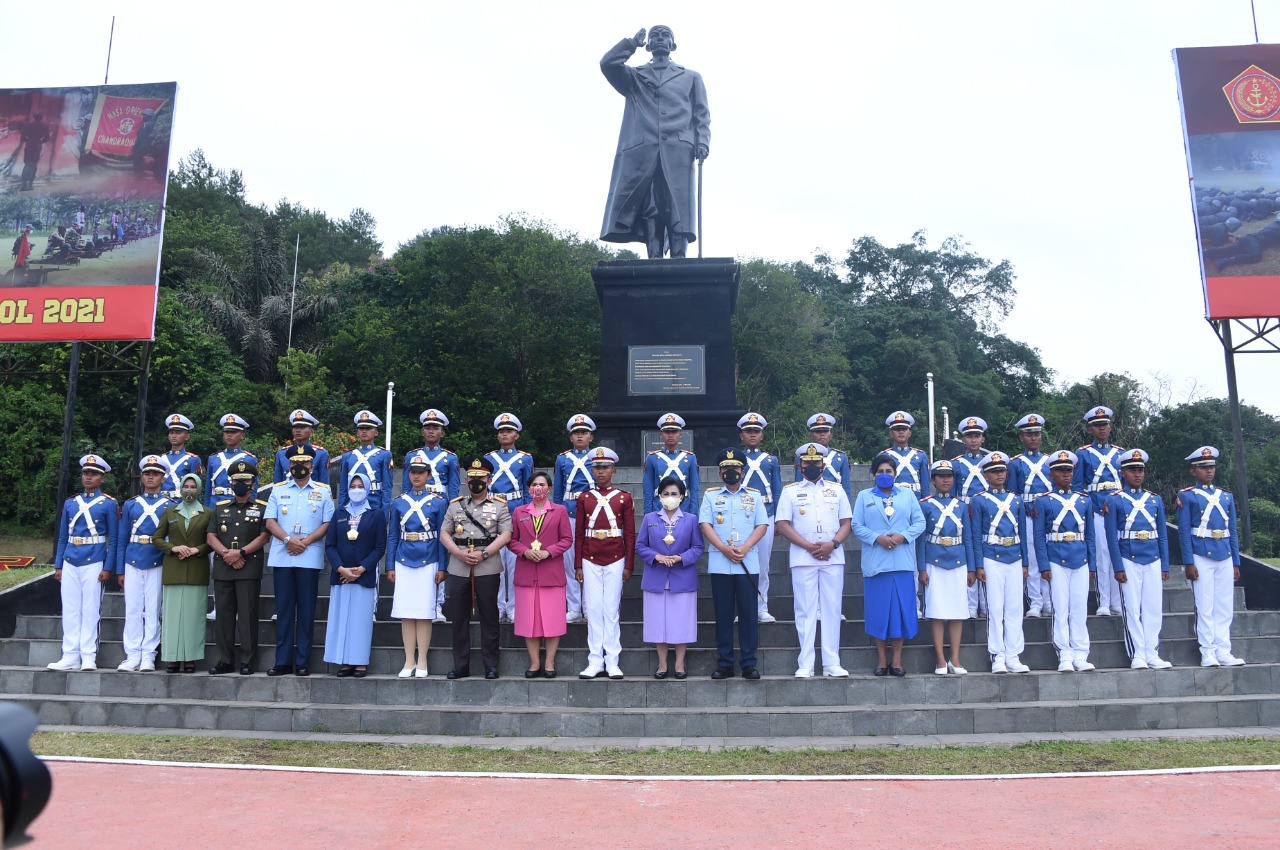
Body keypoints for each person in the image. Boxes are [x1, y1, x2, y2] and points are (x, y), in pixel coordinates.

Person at [599, 25, 710, 259]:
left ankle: (680, 257)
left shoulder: (691, 77)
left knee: (678, 204)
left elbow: (701, 113)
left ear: (673, 44)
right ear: (648, 45)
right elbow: (607, 64)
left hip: (680, 150)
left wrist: (703, 142)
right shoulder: (635, 76)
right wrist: (631, 43)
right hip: (643, 151)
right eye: (655, 36)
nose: (660, 39)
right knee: (651, 206)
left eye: (665, 35)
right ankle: (654, 256)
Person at [775, 443, 853, 678]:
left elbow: (846, 522)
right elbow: (782, 524)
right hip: (803, 557)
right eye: (807, 463)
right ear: (799, 465)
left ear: (823, 464)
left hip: (832, 556)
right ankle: (806, 663)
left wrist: (833, 544)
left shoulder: (836, 490)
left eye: (816, 463)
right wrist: (809, 546)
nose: (811, 466)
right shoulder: (789, 491)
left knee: (832, 609)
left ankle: (831, 662)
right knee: (806, 611)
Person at [264, 444, 334, 677]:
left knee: (306, 612)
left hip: (309, 555)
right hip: (283, 555)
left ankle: (303, 661)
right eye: (295, 463)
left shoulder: (323, 491)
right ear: (289, 465)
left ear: (312, 466)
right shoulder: (278, 489)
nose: (299, 467)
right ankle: (282, 661)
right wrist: (288, 540)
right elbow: (270, 521)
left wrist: (304, 542)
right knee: (284, 611)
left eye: (303, 463)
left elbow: (327, 524)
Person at [699, 448, 768, 680]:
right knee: (723, 615)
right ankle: (725, 663)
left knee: (749, 616)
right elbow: (705, 524)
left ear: (743, 471)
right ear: (720, 472)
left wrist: (746, 547)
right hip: (721, 563)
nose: (731, 472)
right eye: (726, 469)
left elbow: (762, 525)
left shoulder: (755, 496)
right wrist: (723, 548)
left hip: (747, 562)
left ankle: (749, 663)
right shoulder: (710, 496)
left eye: (735, 468)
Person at [853, 453, 925, 677]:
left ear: (895, 474)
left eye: (889, 472)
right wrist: (878, 538)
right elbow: (856, 525)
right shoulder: (864, 496)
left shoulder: (907, 495)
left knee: (899, 613)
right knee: (879, 613)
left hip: (901, 562)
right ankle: (882, 660)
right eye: (881, 472)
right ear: (874, 474)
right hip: (877, 563)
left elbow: (920, 522)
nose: (885, 475)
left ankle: (897, 660)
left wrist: (903, 536)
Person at [441, 457, 513, 679]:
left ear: (489, 479)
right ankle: (460, 665)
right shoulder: (456, 505)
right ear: (466, 480)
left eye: (480, 478)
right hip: (459, 565)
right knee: (459, 618)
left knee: (489, 617)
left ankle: (491, 665)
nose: (476, 482)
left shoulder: (499, 505)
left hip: (487, 565)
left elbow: (506, 534)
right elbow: (444, 533)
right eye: (472, 478)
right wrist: (458, 553)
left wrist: (484, 553)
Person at [1104, 449, 1174, 670]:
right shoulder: (1114, 500)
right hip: (1129, 556)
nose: (1137, 474)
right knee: (1132, 609)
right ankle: (1137, 653)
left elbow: (1162, 534)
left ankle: (1152, 651)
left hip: (1152, 556)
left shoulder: (1154, 499)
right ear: (1122, 472)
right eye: (1132, 470)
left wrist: (1164, 564)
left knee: (1153, 607)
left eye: (1140, 470)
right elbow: (1111, 538)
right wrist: (1117, 566)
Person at [48, 454, 117, 672]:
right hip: (71, 557)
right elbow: (62, 536)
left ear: (102, 478)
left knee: (90, 609)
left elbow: (114, 538)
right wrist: (59, 564)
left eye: (93, 474)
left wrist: (108, 567)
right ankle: (69, 655)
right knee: (70, 609)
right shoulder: (71, 503)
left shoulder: (108, 504)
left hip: (94, 558)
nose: (88, 477)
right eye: (86, 473)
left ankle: (88, 655)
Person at [1176, 446, 1244, 667]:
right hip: (1201, 553)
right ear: (1193, 470)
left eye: (1211, 466)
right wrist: (1189, 561)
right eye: (1203, 467)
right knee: (1204, 605)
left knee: (1224, 606)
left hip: (1224, 552)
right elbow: (1184, 532)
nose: (1209, 471)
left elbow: (1232, 530)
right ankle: (1208, 651)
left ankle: (1224, 650)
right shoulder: (1187, 496)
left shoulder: (1225, 495)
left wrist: (1236, 561)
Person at [1032, 450, 1098, 672]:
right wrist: (1043, 565)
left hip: (1080, 557)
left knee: (1079, 609)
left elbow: (1090, 534)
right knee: (1060, 609)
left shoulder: (1084, 500)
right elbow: (1039, 536)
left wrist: (1092, 563)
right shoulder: (1043, 502)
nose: (1066, 474)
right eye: (1061, 471)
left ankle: (1081, 653)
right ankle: (1064, 654)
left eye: (1069, 470)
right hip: (1056, 557)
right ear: (1051, 475)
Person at [575, 447, 637, 680]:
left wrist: (629, 563)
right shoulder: (585, 498)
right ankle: (594, 661)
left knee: (611, 610)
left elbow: (629, 533)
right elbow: (579, 533)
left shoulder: (624, 497)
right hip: (590, 556)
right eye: (597, 467)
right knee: (593, 608)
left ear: (614, 470)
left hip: (615, 557)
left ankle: (612, 661)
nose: (600, 472)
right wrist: (578, 565)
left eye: (605, 467)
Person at [387, 451, 448, 677]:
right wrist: (390, 566)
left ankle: (422, 660)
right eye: (413, 472)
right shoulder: (399, 502)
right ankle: (408, 660)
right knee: (406, 612)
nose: (416, 476)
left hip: (428, 557)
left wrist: (443, 566)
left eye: (421, 473)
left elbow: (443, 536)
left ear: (429, 475)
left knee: (423, 612)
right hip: (403, 558)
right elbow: (393, 535)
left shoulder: (438, 502)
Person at [206, 460, 270, 675]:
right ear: (231, 484)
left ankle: (248, 661)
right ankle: (225, 660)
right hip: (224, 567)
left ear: (252, 484)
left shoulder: (261, 508)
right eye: (237, 481)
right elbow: (211, 536)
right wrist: (227, 555)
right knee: (223, 617)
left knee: (247, 617)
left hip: (248, 567)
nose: (241, 484)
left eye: (245, 480)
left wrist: (240, 553)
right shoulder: (220, 507)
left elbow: (263, 537)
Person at [636, 475, 703, 679]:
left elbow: (698, 547)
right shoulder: (650, 519)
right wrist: (656, 556)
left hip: (682, 578)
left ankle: (680, 664)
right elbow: (640, 546)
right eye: (666, 494)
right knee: (658, 623)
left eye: (674, 494)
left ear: (682, 497)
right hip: (656, 578)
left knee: (681, 623)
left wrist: (680, 558)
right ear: (659, 496)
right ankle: (662, 664)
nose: (670, 497)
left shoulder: (691, 519)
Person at [970, 452, 1030, 673]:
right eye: (994, 471)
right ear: (985, 475)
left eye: (1002, 470)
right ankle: (998, 655)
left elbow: (1022, 532)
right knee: (995, 608)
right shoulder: (979, 500)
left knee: (1014, 608)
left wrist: (1025, 562)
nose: (999, 474)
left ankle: (1014, 655)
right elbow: (976, 534)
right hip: (991, 555)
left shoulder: (1016, 500)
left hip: (1014, 555)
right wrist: (978, 564)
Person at [509, 471, 574, 678]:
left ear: (550, 488)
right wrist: (524, 551)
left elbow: (567, 539)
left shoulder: (559, 510)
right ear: (528, 489)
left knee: (553, 621)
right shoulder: (519, 511)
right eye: (534, 484)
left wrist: (548, 551)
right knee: (530, 621)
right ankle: (534, 663)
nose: (538, 488)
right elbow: (511, 540)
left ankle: (549, 663)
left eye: (542, 484)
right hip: (527, 572)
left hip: (551, 572)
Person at [325, 471, 387, 678]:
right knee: (341, 618)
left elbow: (380, 547)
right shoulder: (339, 512)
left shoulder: (376, 513)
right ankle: (343, 661)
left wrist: (362, 568)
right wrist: (340, 568)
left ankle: (359, 662)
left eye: (361, 486)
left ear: (368, 489)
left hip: (364, 575)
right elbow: (330, 545)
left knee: (360, 621)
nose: (356, 490)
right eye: (353, 486)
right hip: (341, 575)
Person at [916, 461, 975, 675]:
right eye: (940, 476)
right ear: (932, 480)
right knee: (937, 612)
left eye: (949, 476)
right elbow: (921, 540)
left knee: (958, 612)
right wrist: (921, 568)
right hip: (934, 561)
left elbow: (968, 538)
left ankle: (955, 659)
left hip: (959, 561)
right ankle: (940, 659)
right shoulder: (925, 505)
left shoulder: (962, 506)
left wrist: (972, 568)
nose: (945, 480)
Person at [152, 474, 213, 674]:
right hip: (174, 568)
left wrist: (199, 549)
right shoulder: (170, 512)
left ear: (199, 489)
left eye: (192, 486)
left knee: (194, 616)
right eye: (185, 486)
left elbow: (212, 540)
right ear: (180, 488)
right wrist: (173, 548)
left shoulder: (207, 513)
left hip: (197, 567)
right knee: (171, 617)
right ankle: (172, 658)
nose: (189, 490)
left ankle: (190, 658)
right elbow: (157, 538)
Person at [114, 455, 169, 672]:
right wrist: (120, 569)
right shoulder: (130, 504)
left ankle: (149, 654)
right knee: (133, 609)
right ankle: (132, 654)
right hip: (133, 558)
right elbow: (121, 538)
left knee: (154, 609)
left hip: (157, 559)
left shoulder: (169, 505)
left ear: (162, 478)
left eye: (155, 474)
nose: (150, 477)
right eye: (147, 474)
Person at [405, 408, 459, 623]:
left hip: (442, 509)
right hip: (417, 508)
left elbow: (454, 489)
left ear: (442, 433)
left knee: (440, 555)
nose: (431, 431)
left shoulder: (450, 458)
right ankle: (418, 603)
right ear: (422, 431)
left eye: (435, 428)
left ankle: (437, 604)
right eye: (427, 427)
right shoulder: (412, 456)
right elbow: (410, 485)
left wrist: (453, 512)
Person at [1073, 406, 1124, 615]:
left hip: (1119, 511)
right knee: (1102, 556)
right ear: (1090, 429)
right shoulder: (1083, 454)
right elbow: (1077, 486)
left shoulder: (1120, 453)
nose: (1102, 429)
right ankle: (1104, 601)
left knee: (1119, 555)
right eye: (1097, 426)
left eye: (1104, 425)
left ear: (1110, 427)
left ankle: (1117, 601)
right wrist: (1090, 507)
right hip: (1096, 508)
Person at [486, 412, 534, 625]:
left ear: (516, 435)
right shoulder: (488, 458)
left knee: (515, 564)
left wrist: (526, 514)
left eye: (509, 431)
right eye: (502, 431)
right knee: (497, 563)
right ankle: (497, 606)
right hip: (494, 512)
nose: (505, 434)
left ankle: (514, 607)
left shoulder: (525, 458)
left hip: (516, 511)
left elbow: (527, 488)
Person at [738, 412, 783, 623]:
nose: (753, 435)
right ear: (742, 435)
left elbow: (777, 489)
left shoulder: (771, 460)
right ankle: (743, 609)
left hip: (767, 513)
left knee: (763, 564)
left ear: (762, 435)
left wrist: (780, 517)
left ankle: (762, 606)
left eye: (756, 431)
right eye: (748, 431)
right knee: (742, 563)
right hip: (742, 514)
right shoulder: (735, 458)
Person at [1008, 413, 1053, 618]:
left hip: (1050, 516)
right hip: (1027, 515)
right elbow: (1013, 494)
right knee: (1033, 559)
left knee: (1050, 557)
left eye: (1036, 434)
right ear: (1022, 438)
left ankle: (1050, 600)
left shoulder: (1050, 461)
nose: (1033, 438)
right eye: (1029, 434)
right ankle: (1035, 601)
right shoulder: (1016, 463)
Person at [554, 414, 597, 625]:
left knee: (589, 564)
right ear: (571, 437)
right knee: (569, 564)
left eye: (584, 433)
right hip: (569, 512)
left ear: (591, 437)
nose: (580, 436)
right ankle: (573, 608)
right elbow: (558, 492)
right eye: (576, 433)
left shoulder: (598, 458)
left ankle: (589, 608)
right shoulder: (562, 459)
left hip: (593, 515)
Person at [949, 416, 990, 619]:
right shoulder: (956, 464)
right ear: (963, 440)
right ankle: (971, 604)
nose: (973, 440)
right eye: (969, 436)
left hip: (987, 513)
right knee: (969, 554)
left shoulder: (990, 462)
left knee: (985, 553)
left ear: (983, 439)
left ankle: (986, 603)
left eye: (977, 436)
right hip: (964, 511)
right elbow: (952, 493)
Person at [339, 410, 393, 521]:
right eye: (361, 429)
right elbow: (343, 488)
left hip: (374, 506)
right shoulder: (348, 456)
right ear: (357, 432)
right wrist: (341, 511)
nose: (364, 431)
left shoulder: (384, 455)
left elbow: (387, 488)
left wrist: (385, 515)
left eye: (368, 429)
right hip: (351, 507)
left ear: (376, 432)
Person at [642, 413, 699, 514]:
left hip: (683, 507)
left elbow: (694, 490)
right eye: (667, 432)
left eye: (674, 431)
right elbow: (648, 490)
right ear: (661, 434)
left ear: (680, 434)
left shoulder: (691, 458)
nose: (670, 435)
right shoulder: (652, 458)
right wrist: (648, 515)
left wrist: (693, 514)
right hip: (659, 507)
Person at [797, 413, 853, 505]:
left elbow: (846, 488)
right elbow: (799, 485)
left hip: (833, 502)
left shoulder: (841, 457)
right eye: (818, 431)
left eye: (825, 431)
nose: (822, 434)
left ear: (831, 435)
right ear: (811, 435)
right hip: (809, 502)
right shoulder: (802, 456)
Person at [205, 414, 256, 507]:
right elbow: (208, 489)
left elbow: (253, 490)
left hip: (238, 504)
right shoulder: (213, 458)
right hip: (215, 505)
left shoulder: (250, 459)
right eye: (226, 431)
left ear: (242, 435)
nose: (229, 434)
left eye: (233, 432)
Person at [273, 409, 332, 486]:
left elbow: (324, 483)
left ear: (311, 431)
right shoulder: (282, 453)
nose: (298, 430)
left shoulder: (321, 453)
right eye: (295, 427)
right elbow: (278, 482)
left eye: (302, 427)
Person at [159, 413, 201, 503]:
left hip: (181, 502)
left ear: (187, 436)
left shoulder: (193, 459)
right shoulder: (161, 459)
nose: (174, 435)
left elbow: (196, 488)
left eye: (178, 433)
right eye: (171, 432)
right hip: (161, 502)